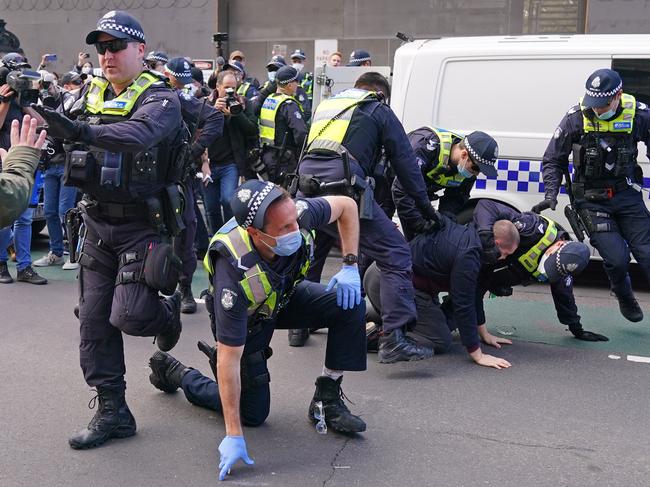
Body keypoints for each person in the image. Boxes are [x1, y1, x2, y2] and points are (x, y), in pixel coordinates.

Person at [32, 10, 187, 450]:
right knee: (94, 322)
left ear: (140, 49)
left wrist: (78, 128)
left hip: (145, 224)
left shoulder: (161, 99)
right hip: (97, 223)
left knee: (132, 315)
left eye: (116, 46)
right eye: (101, 48)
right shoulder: (84, 94)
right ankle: (113, 410)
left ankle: (168, 312)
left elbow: (138, 135)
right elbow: (54, 137)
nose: (107, 56)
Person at [147, 180, 367, 481]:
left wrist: (350, 265)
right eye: (284, 229)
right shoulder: (233, 274)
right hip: (249, 320)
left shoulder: (296, 212)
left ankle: (326, 400)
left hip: (284, 296)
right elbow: (229, 359)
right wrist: (233, 434)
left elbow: (347, 205)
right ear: (255, 233)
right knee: (252, 414)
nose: (295, 231)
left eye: (295, 222)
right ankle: (178, 374)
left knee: (349, 303)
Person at [295, 72, 438, 362]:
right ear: (380, 94)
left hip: (306, 187)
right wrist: (426, 208)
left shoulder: (328, 107)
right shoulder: (377, 108)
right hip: (342, 189)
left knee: (315, 251)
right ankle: (395, 338)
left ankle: (300, 324)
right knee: (395, 252)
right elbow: (405, 163)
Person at [533, 68, 650, 323]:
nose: (598, 110)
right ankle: (623, 294)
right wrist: (551, 193)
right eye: (594, 104)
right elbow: (553, 159)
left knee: (647, 254)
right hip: (591, 199)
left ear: (618, 95)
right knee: (618, 260)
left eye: (603, 104)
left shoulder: (639, 115)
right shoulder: (576, 117)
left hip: (626, 194)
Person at [364, 214, 512, 369]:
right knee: (440, 339)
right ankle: (379, 335)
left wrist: (484, 333)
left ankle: (359, 317)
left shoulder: (467, 233)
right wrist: (477, 354)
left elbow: (473, 296)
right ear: (497, 242)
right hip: (390, 283)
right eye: (506, 253)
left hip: (379, 274)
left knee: (442, 320)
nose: (503, 258)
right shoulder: (469, 255)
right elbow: (464, 304)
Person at [473, 199, 608, 342]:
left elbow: (564, 295)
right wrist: (487, 241)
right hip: (477, 259)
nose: (548, 270)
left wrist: (577, 328)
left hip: (490, 275)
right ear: (559, 245)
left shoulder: (562, 264)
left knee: (462, 311)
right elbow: (485, 206)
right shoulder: (530, 227)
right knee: (464, 304)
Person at [164, 57, 224, 313]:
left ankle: (184, 286)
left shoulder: (181, 99)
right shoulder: (140, 93)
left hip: (178, 176)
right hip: (144, 176)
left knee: (186, 229)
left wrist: (194, 152)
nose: (180, 86)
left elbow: (214, 119)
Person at [393, 129, 498, 240]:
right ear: (464, 155)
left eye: (480, 171)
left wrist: (442, 222)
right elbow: (402, 191)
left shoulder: (467, 171)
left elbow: (456, 199)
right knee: (383, 234)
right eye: (476, 168)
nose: (476, 174)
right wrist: (418, 223)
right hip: (389, 179)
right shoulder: (424, 147)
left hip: (419, 191)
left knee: (421, 241)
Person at [0, 53, 48, 285]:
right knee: (4, 217)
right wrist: (4, 101)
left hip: (26, 164)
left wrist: (24, 103)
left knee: (25, 219)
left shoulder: (23, 98)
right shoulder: (2, 98)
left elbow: (40, 123)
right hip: (4, 164)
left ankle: (24, 266)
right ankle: (1, 265)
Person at [32, 71, 80, 270]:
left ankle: (74, 254)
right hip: (50, 164)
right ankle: (57, 252)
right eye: (41, 85)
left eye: (47, 84)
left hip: (67, 163)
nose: (45, 89)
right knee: (50, 211)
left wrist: (52, 105)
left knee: (65, 211)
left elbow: (67, 126)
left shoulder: (67, 100)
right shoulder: (34, 102)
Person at [203, 70, 258, 234]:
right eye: (226, 88)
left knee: (228, 200)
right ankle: (216, 238)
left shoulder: (243, 103)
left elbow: (253, 130)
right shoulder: (205, 103)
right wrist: (214, 111)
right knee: (211, 206)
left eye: (233, 88)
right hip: (208, 163)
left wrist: (236, 114)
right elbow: (197, 129)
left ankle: (230, 235)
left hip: (231, 163)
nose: (230, 92)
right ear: (218, 87)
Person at [257, 65, 307, 187]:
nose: (298, 85)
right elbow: (301, 133)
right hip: (285, 159)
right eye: (296, 82)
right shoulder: (288, 104)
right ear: (289, 85)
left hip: (267, 156)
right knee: (285, 197)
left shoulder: (269, 100)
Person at [0, 115, 47, 229]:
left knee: (25, 220)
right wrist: (19, 166)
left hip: (16, 165)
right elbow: (8, 199)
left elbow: (43, 123)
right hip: (16, 168)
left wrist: (25, 106)